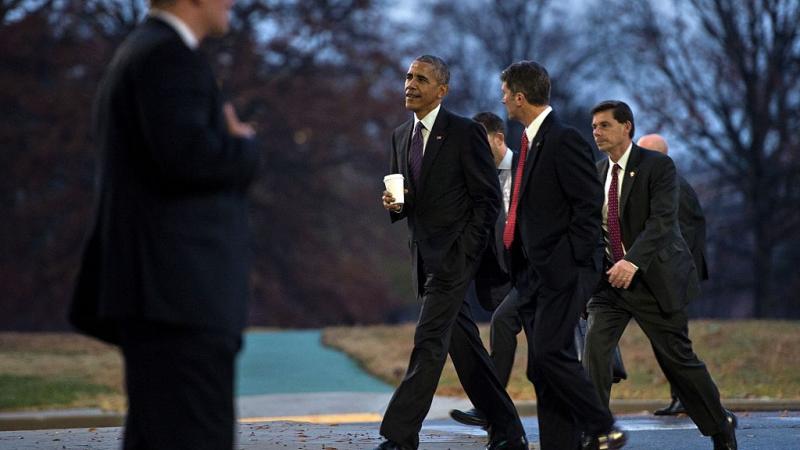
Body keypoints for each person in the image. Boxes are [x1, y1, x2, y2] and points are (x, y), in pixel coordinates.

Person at [69, 1, 260, 448]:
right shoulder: (167, 57)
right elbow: (189, 159)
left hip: (162, 297)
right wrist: (243, 145)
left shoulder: (144, 51)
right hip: (179, 299)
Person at [376, 56, 527, 450]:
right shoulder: (399, 136)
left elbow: (487, 199)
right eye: (408, 76)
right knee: (465, 349)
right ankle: (509, 432)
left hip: (455, 261)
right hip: (422, 260)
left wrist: (465, 251)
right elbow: (410, 201)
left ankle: (399, 436)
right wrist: (396, 205)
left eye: (421, 78)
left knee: (428, 342)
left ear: (441, 91)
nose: (410, 83)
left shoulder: (464, 132)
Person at [585, 101, 736, 450]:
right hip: (609, 285)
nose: (597, 132)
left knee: (678, 362)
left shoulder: (657, 166)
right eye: (594, 126)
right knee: (594, 351)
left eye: (604, 125)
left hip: (653, 281)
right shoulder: (595, 173)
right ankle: (595, 430)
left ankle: (719, 423)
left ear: (627, 127)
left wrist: (632, 262)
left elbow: (662, 222)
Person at [495, 60, 626, 450]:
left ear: (520, 97)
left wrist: (573, 266)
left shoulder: (563, 138)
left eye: (505, 94)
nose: (502, 100)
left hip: (564, 272)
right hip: (533, 276)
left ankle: (603, 426)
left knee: (552, 352)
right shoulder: (530, 142)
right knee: (541, 369)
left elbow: (588, 208)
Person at [637, 133, 710, 416]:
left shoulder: (673, 187)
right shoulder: (667, 184)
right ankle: (683, 397)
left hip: (673, 277)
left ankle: (694, 400)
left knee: (675, 344)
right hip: (669, 275)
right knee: (670, 343)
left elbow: (681, 238)